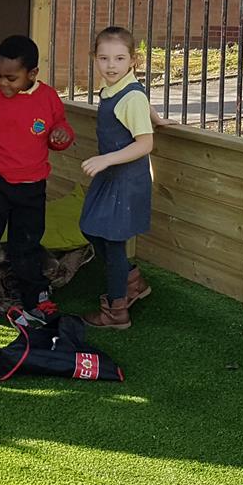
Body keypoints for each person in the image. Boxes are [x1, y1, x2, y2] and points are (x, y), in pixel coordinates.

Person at [0, 35, 74, 327]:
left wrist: (61, 136)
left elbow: (61, 128)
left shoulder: (48, 98)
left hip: (31, 188)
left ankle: (36, 298)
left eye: (11, 78)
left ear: (32, 74)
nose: (3, 83)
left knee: (28, 245)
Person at [79, 26, 156, 328]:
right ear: (94, 58)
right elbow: (142, 99)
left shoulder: (130, 97)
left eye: (119, 59)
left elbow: (145, 143)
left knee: (112, 243)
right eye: (104, 58)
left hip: (125, 179)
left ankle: (116, 310)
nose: (111, 66)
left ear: (132, 61)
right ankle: (132, 281)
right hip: (110, 176)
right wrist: (158, 117)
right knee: (91, 229)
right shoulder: (117, 87)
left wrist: (106, 159)